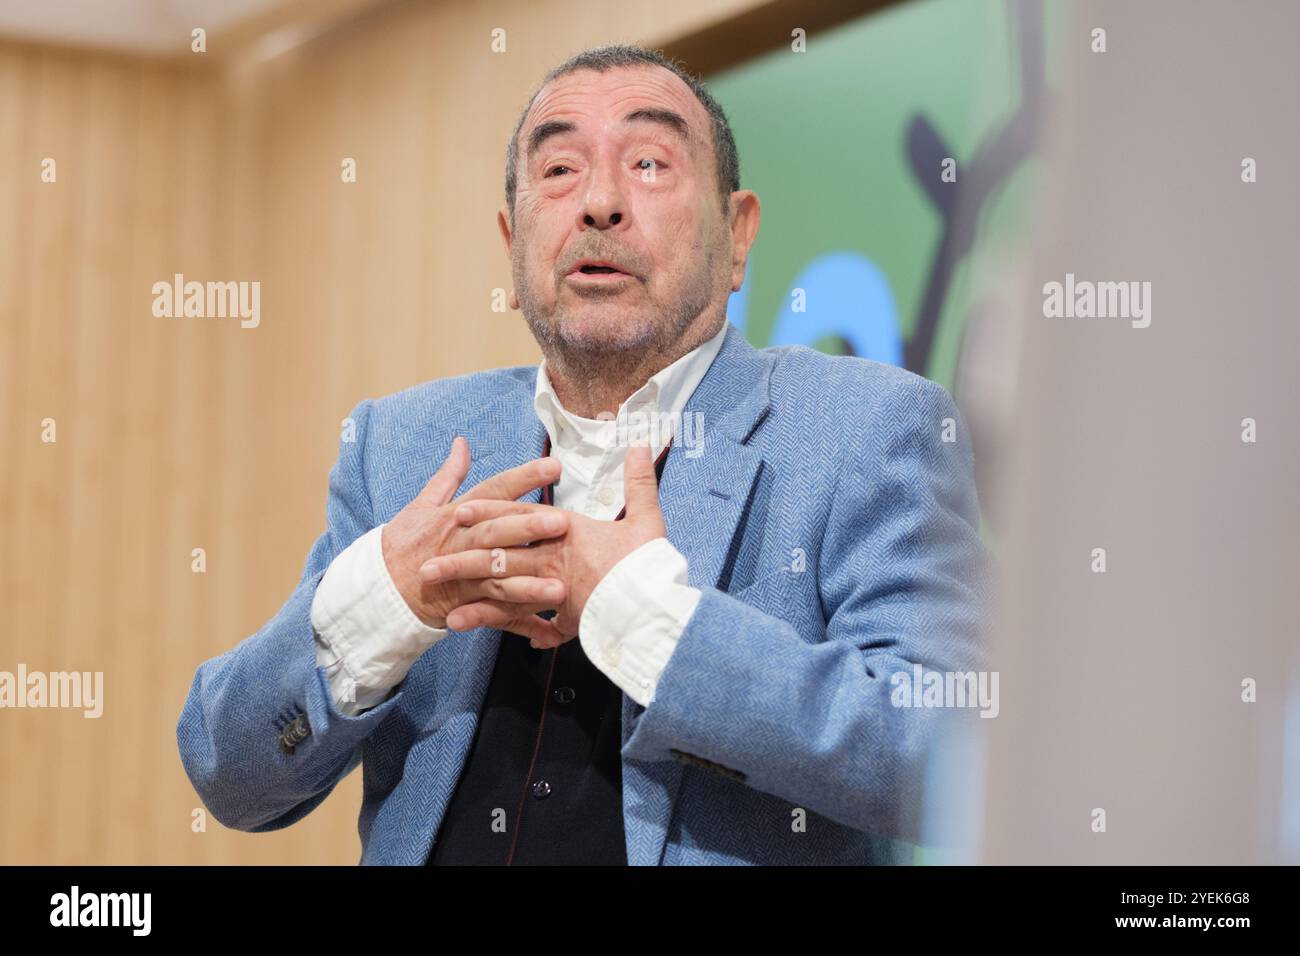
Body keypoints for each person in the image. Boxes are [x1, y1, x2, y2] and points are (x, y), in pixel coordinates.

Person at [176, 43, 988, 865]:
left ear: (738, 235)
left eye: (648, 162)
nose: (600, 202)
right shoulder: (403, 445)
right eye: (559, 170)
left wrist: (652, 625)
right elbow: (230, 775)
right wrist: (384, 601)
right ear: (512, 240)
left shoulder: (862, 427)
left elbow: (956, 756)